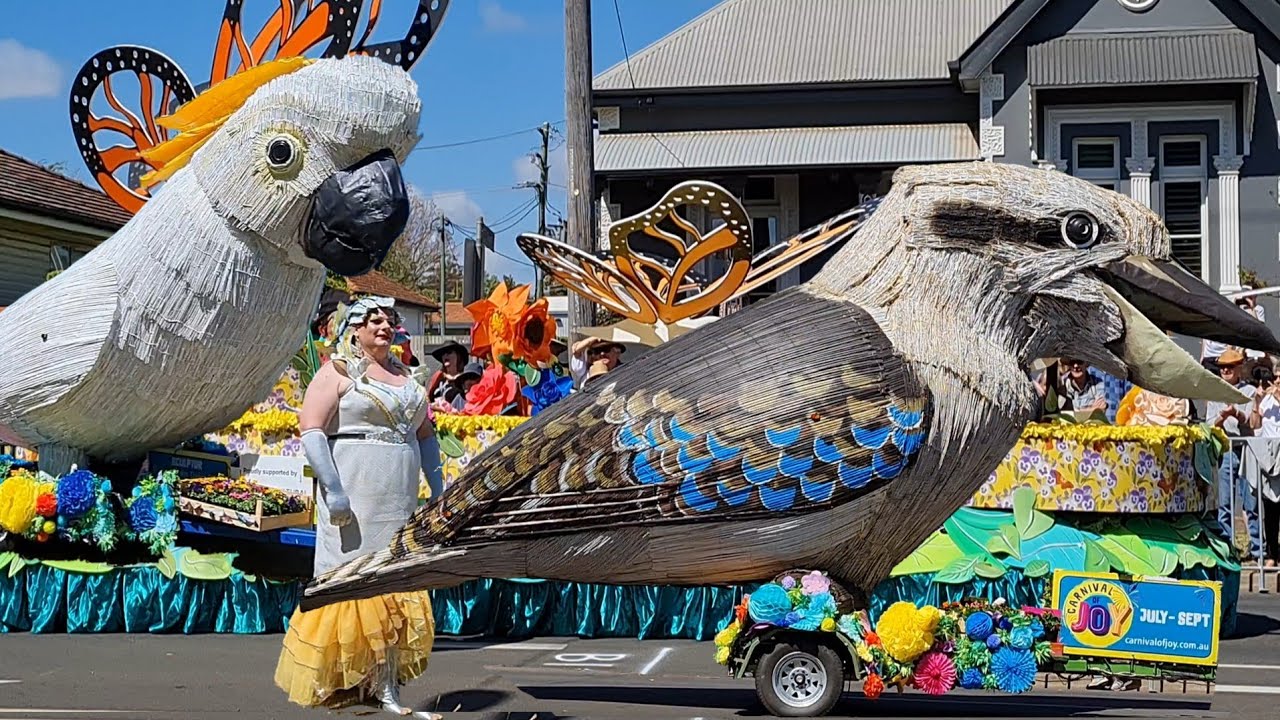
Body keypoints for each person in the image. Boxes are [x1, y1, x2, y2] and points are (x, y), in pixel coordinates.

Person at [275, 297, 442, 718]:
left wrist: (439, 488)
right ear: (355, 328)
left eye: (388, 320)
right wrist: (333, 489)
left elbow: (425, 435)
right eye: (373, 320)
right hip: (354, 492)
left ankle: (384, 682)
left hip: (398, 497)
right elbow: (312, 430)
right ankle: (342, 679)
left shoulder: (408, 376)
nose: (383, 326)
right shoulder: (338, 371)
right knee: (353, 579)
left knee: (392, 582)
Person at [1208, 348, 1263, 563]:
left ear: (1239, 368)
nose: (1225, 371)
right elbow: (1210, 424)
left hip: (1247, 450)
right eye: (1222, 367)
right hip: (1227, 450)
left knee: (1251, 503)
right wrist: (1222, 418)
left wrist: (1237, 414)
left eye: (1229, 367)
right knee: (1225, 503)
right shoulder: (1215, 392)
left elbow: (1254, 423)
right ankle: (1228, 549)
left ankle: (1258, 551)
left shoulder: (1249, 391)